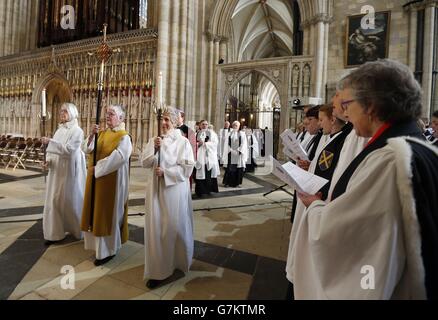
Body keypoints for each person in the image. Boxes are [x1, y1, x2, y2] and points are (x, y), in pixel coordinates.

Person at [289, 59, 438, 299]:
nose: (345, 112)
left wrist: (314, 206)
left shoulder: (389, 160)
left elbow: (354, 235)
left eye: (348, 103)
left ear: (370, 106)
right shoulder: (422, 148)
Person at [140, 106, 195, 289]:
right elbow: (144, 162)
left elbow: (187, 169)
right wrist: (154, 150)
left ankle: (176, 261)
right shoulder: (154, 140)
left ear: (173, 122)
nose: (163, 123)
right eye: (162, 119)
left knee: (170, 228)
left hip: (173, 192)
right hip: (155, 191)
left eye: (167, 120)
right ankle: (158, 269)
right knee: (156, 230)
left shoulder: (183, 142)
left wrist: (167, 172)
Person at [81, 105, 132, 266]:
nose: (108, 116)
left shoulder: (124, 137)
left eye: (112, 114)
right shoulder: (102, 133)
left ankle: (109, 250)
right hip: (98, 178)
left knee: (109, 214)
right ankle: (98, 248)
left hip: (113, 182)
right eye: (107, 113)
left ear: (121, 118)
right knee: (97, 212)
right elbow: (87, 149)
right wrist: (91, 136)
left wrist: (99, 168)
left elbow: (120, 157)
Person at [41, 103, 86, 245]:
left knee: (71, 201)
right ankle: (54, 233)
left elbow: (70, 150)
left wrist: (50, 142)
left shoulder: (77, 131)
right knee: (54, 200)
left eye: (64, 111)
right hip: (56, 171)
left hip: (69, 171)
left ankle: (77, 229)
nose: (61, 113)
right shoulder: (59, 130)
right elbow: (51, 150)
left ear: (72, 113)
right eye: (61, 111)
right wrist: (47, 161)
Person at [194, 120, 220, 197]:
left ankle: (208, 190)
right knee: (200, 173)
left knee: (208, 173)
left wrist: (205, 143)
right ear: (200, 125)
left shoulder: (212, 133)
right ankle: (200, 191)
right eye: (203, 124)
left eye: (206, 124)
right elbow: (193, 144)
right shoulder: (197, 133)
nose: (205, 125)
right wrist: (198, 144)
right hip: (200, 156)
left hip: (209, 156)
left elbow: (215, 143)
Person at [222, 121, 248, 187]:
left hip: (238, 154)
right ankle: (227, 183)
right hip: (230, 153)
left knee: (238, 168)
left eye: (236, 125)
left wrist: (238, 151)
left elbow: (244, 144)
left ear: (239, 126)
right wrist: (231, 150)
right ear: (232, 126)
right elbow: (226, 144)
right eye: (234, 125)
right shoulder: (229, 133)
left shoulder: (242, 134)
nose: (235, 126)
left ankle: (237, 183)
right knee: (230, 168)